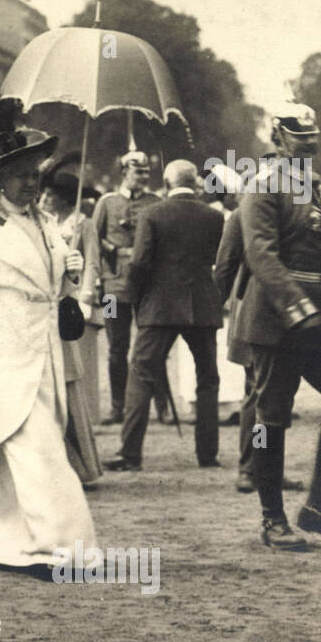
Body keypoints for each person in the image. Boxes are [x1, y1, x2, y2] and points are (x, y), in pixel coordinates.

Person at [0, 126, 97, 574]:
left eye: (35, 174)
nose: (32, 183)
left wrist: (71, 271)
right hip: (0, 351)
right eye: (21, 176)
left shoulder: (47, 225)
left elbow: (57, 289)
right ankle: (59, 548)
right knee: (37, 447)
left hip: (45, 348)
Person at [234, 102, 321, 551]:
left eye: (312, 135)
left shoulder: (317, 185)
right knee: (271, 417)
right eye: (297, 135)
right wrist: (297, 308)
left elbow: (320, 252)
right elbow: (261, 255)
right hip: (277, 319)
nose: (308, 141)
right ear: (279, 138)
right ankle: (273, 518)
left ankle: (319, 510)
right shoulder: (264, 185)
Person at [104, 160, 224, 471]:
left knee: (141, 375)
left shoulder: (151, 213)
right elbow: (218, 260)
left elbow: (141, 262)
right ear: (195, 182)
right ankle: (207, 455)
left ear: (167, 183)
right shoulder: (213, 216)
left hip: (160, 305)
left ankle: (130, 454)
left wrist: (133, 297)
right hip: (202, 305)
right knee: (208, 379)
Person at [214, 207, 305, 494]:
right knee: (257, 392)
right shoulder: (243, 214)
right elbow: (225, 266)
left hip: (290, 315)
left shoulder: (295, 212)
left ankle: (270, 469)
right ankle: (250, 468)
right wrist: (215, 310)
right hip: (254, 314)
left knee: (280, 394)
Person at [40, 170, 102, 488]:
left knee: (74, 372)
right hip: (53, 300)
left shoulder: (83, 224)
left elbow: (92, 261)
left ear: (64, 198)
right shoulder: (46, 224)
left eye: (51, 194)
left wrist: (87, 296)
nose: (45, 199)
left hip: (74, 301)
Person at [93, 150, 163, 425]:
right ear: (124, 173)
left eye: (146, 172)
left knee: (154, 346)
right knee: (116, 347)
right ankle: (117, 406)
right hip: (112, 286)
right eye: (138, 172)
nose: (143, 177)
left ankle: (162, 406)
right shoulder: (106, 202)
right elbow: (93, 238)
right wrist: (109, 250)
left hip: (148, 285)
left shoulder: (156, 202)